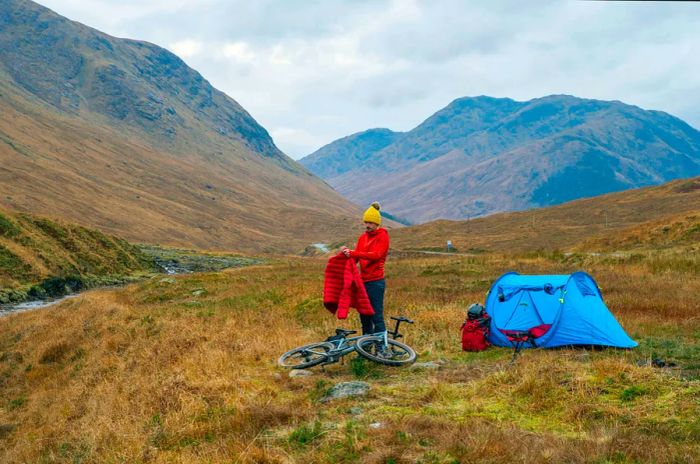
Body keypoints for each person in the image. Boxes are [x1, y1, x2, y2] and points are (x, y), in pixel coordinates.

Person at [340, 202, 390, 342]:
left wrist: (354, 252)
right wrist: (346, 257)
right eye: (366, 222)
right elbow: (356, 257)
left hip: (376, 282)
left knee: (376, 316)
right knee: (364, 317)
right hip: (363, 282)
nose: (367, 225)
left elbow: (376, 255)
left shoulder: (383, 236)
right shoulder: (362, 238)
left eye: (370, 223)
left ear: (377, 223)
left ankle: (381, 349)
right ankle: (366, 350)